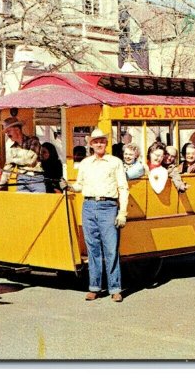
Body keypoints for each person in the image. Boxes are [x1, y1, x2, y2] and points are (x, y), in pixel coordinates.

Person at [67, 128, 128, 303]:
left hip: (108, 206)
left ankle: (115, 288)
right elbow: (80, 185)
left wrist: (122, 212)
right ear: (90, 144)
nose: (99, 144)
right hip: (88, 206)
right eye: (95, 141)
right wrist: (70, 187)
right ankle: (94, 287)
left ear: (106, 143)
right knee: (92, 248)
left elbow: (123, 188)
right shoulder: (85, 163)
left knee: (110, 248)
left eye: (102, 140)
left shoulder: (115, 162)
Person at [0, 116, 45, 193]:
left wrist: (13, 160)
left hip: (36, 179)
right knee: (22, 204)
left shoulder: (33, 141)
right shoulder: (12, 148)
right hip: (21, 179)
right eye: (6, 132)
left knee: (39, 203)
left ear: (17, 130)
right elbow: (7, 168)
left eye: (8, 131)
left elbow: (30, 160)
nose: (7, 134)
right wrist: (0, 185)